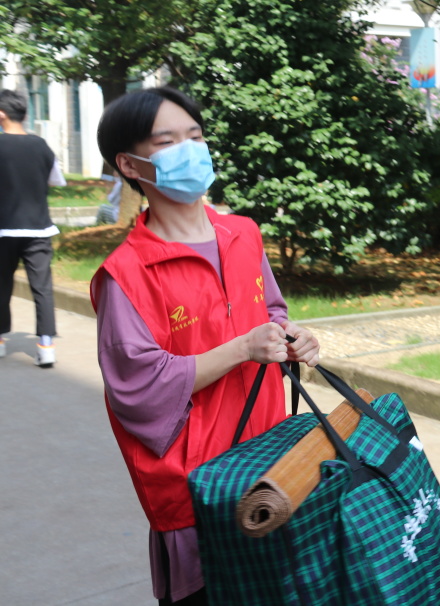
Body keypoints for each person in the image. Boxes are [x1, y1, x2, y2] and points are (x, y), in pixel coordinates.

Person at [92, 86, 320, 606]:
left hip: (272, 463)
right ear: (129, 164)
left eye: (195, 136)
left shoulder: (243, 233)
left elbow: (272, 313)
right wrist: (243, 348)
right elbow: (138, 389)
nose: (190, 150)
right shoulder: (125, 274)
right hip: (199, 487)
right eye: (167, 142)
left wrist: (291, 339)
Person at [0, 89, 67, 366]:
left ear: (2, 114)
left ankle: (0, 340)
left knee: (1, 285)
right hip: (39, 229)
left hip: (3, 229)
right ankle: (46, 346)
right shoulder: (41, 145)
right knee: (42, 288)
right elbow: (56, 180)